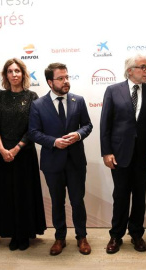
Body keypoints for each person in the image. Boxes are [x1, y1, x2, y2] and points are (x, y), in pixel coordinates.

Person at [29, 63, 93, 256]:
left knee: (77, 201)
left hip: (75, 162)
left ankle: (81, 237)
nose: (66, 81)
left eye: (67, 77)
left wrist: (78, 135)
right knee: (57, 202)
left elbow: (88, 125)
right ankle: (59, 238)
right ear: (50, 82)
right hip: (52, 162)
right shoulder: (38, 104)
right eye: (61, 78)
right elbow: (33, 132)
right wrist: (54, 142)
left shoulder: (78, 100)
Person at [100, 54, 146, 254]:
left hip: (144, 155)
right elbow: (105, 124)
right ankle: (116, 235)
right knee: (120, 196)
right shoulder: (112, 91)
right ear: (130, 70)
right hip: (119, 154)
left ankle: (136, 234)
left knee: (140, 197)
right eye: (143, 67)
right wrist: (106, 152)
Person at [0, 58, 46, 251]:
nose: (14, 74)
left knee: (24, 195)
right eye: (10, 71)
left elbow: (34, 128)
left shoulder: (32, 96)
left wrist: (16, 149)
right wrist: (1, 149)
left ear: (23, 74)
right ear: (5, 75)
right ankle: (13, 233)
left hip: (24, 154)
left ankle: (24, 234)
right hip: (3, 155)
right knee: (7, 195)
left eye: (17, 71)